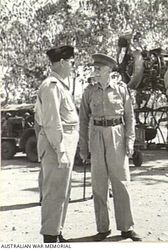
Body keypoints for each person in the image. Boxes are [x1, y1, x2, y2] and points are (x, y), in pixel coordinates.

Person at [79, 53, 141, 241]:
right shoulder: (89, 91)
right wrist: (83, 147)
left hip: (117, 134)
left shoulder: (121, 90)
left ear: (108, 70)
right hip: (96, 135)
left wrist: (130, 141)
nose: (95, 71)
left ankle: (126, 227)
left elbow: (130, 117)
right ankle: (102, 228)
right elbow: (83, 120)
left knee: (121, 182)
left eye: (98, 69)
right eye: (95, 68)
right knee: (99, 184)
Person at [35, 45, 79, 243]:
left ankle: (56, 232)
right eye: (70, 62)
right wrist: (61, 151)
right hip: (56, 147)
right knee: (54, 193)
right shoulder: (51, 86)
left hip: (62, 146)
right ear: (62, 62)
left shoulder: (60, 86)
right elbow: (53, 122)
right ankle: (50, 239)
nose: (72, 66)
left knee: (62, 191)